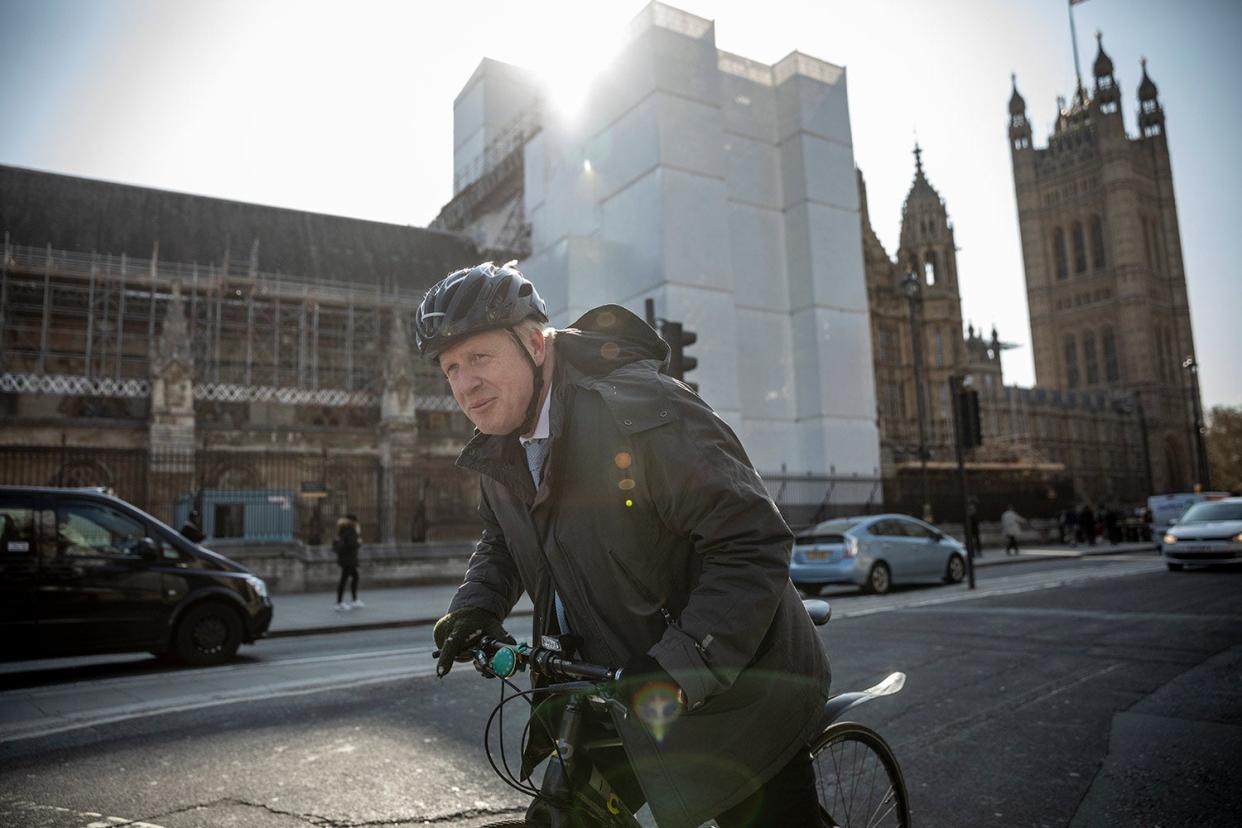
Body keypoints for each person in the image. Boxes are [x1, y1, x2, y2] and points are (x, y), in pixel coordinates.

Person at [418, 263, 830, 828]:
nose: (465, 385)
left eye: (480, 358)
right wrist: (475, 607)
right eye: (451, 369)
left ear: (536, 344)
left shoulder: (644, 412)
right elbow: (506, 537)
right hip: (611, 689)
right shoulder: (500, 445)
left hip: (736, 690)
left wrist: (678, 666)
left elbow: (751, 542)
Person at [333, 514, 363, 610]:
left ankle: (353, 600)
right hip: (349, 560)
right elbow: (352, 544)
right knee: (344, 579)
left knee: (354, 577)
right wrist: (359, 542)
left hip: (345, 559)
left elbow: (338, 543)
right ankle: (339, 602)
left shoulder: (342, 530)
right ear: (353, 522)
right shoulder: (351, 530)